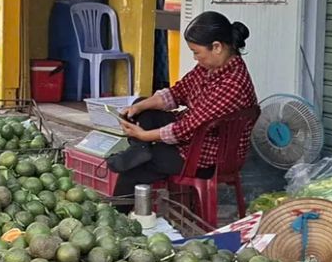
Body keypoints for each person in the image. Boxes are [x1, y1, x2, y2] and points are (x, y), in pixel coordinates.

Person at [109, 11, 258, 204]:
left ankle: (117, 216)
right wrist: (139, 107)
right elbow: (178, 92)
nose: (196, 58)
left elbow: (186, 129)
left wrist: (144, 136)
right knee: (142, 109)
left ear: (217, 47)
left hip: (206, 157)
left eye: (197, 52)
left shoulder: (233, 85)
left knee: (134, 170)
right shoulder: (210, 67)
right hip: (192, 139)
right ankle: (141, 151)